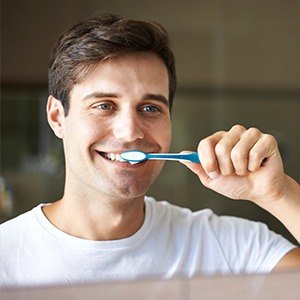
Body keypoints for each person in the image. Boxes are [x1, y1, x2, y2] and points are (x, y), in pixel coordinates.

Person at [1, 13, 299, 288]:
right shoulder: (7, 257)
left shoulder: (226, 248)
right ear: (56, 117)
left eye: (150, 108)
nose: (130, 131)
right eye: (104, 105)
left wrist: (279, 194)